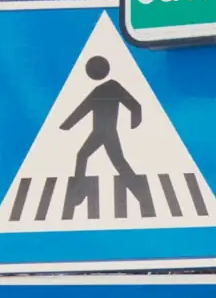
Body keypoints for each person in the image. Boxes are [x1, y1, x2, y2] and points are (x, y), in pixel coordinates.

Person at [60, 56, 153, 219]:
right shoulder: (103, 89)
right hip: (99, 132)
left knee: (116, 164)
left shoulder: (112, 87)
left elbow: (134, 105)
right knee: (84, 156)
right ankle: (79, 192)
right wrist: (66, 125)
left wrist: (135, 120)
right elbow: (83, 109)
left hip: (107, 132)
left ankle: (143, 197)